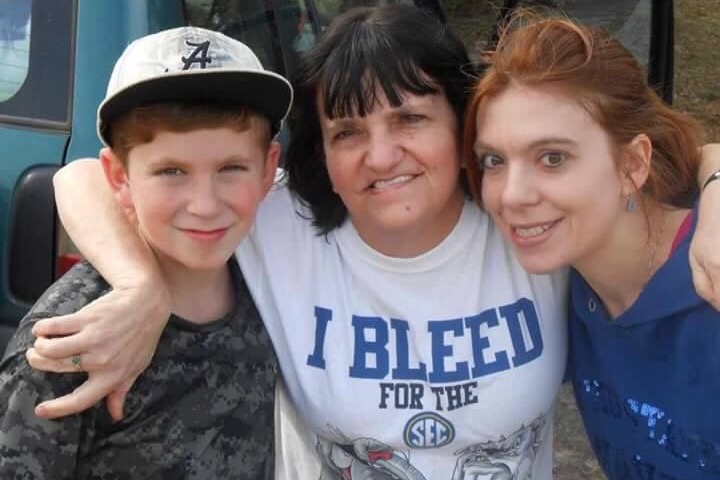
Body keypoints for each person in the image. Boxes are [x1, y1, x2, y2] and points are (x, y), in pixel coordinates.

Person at [22, 5, 720, 480]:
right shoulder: (278, 222)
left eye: (410, 119)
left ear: (461, 126)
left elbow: (658, 160)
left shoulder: (519, 220)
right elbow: (85, 177)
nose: (381, 157)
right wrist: (139, 287)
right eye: (348, 132)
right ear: (319, 152)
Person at [0, 26, 291, 479]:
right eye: (171, 171)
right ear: (119, 177)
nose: (205, 205)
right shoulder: (72, 337)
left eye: (231, 167)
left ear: (269, 169)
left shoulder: (273, 273)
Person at [465, 14, 720, 479]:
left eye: (553, 157)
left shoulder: (709, 285)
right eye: (494, 160)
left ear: (633, 164)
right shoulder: (564, 287)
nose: (512, 195)